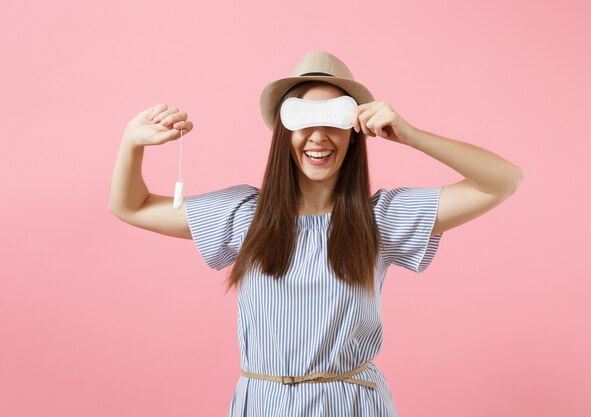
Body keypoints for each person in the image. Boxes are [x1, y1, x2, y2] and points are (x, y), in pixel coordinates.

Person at [108, 50, 524, 416]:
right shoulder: (243, 215)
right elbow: (131, 205)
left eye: (334, 120)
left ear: (355, 132)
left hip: (352, 406)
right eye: (304, 121)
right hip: (265, 403)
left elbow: (502, 181)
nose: (318, 136)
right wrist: (132, 141)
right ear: (284, 132)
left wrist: (411, 136)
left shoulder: (381, 219)